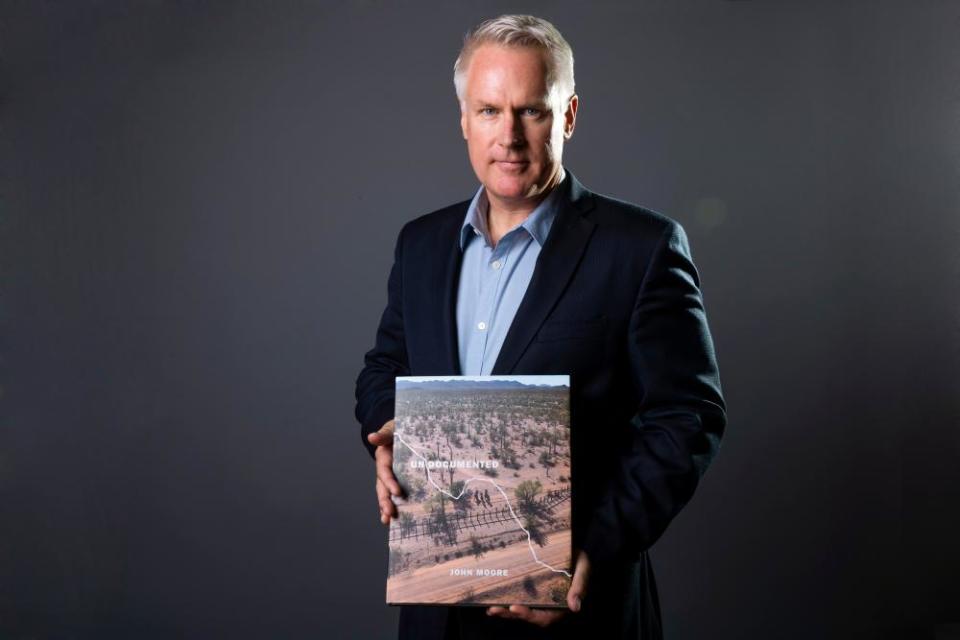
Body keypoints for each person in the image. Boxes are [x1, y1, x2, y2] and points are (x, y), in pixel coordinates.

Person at [355, 14, 725, 640]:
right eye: (491, 111)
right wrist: (385, 426)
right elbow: (384, 366)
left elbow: (687, 417)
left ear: (569, 116)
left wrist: (595, 549)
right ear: (464, 120)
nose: (510, 137)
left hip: (580, 608)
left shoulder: (643, 247)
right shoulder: (420, 245)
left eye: (531, 112)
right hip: (437, 609)